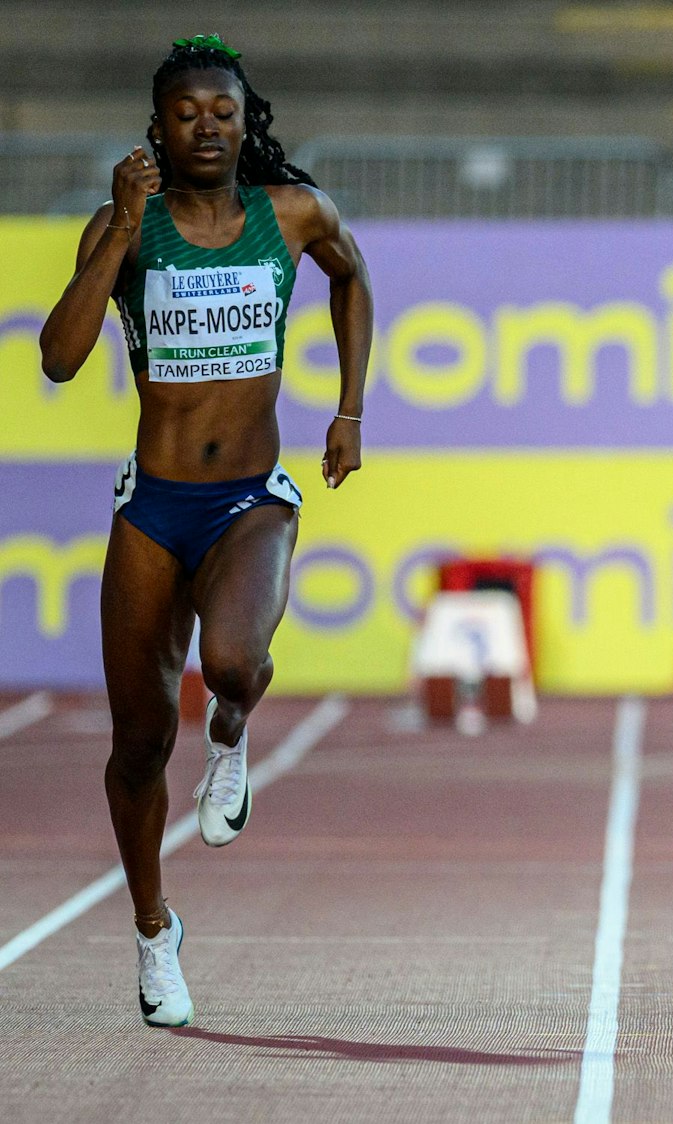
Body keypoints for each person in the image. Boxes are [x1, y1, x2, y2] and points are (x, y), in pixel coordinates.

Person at [38, 34, 373, 1027]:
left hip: (249, 499)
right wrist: (117, 228)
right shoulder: (129, 226)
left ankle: (231, 732)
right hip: (153, 506)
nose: (208, 128)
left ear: (245, 118)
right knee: (139, 743)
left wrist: (349, 410)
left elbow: (351, 277)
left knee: (231, 661)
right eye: (186, 114)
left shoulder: (292, 214)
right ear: (158, 128)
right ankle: (155, 931)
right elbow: (58, 357)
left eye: (223, 111)